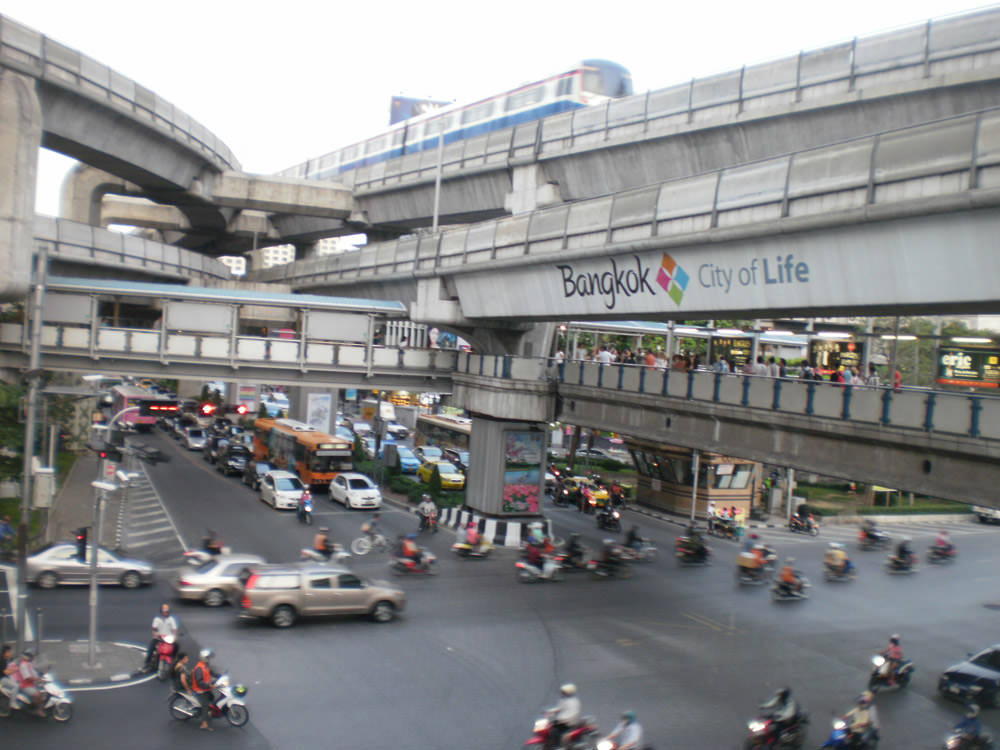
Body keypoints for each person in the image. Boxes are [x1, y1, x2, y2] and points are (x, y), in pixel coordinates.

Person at [545, 683, 581, 750]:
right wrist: (550, 711)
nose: (561, 693)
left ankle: (560, 746)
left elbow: (573, 714)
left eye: (563, 692)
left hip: (569, 723)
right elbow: (560, 708)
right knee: (549, 727)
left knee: (554, 731)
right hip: (562, 721)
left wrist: (561, 719)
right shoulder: (564, 700)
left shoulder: (573, 702)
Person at [144, 603, 179, 673]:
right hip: (159, 637)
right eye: (164, 611)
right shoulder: (157, 619)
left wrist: (175, 636)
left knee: (177, 646)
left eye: (167, 611)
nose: (166, 613)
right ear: (161, 612)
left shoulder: (171, 619)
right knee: (151, 648)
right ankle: (147, 663)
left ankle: (174, 660)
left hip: (168, 638)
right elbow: (154, 628)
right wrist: (155, 634)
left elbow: (175, 629)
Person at [192, 648, 219, 731]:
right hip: (200, 691)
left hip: (206, 689)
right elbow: (200, 682)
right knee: (205, 705)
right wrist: (209, 685)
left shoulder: (205, 666)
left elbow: (212, 673)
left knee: (212, 698)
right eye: (209, 658)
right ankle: (204, 724)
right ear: (205, 658)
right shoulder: (199, 669)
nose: (210, 659)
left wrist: (220, 677)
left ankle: (209, 714)